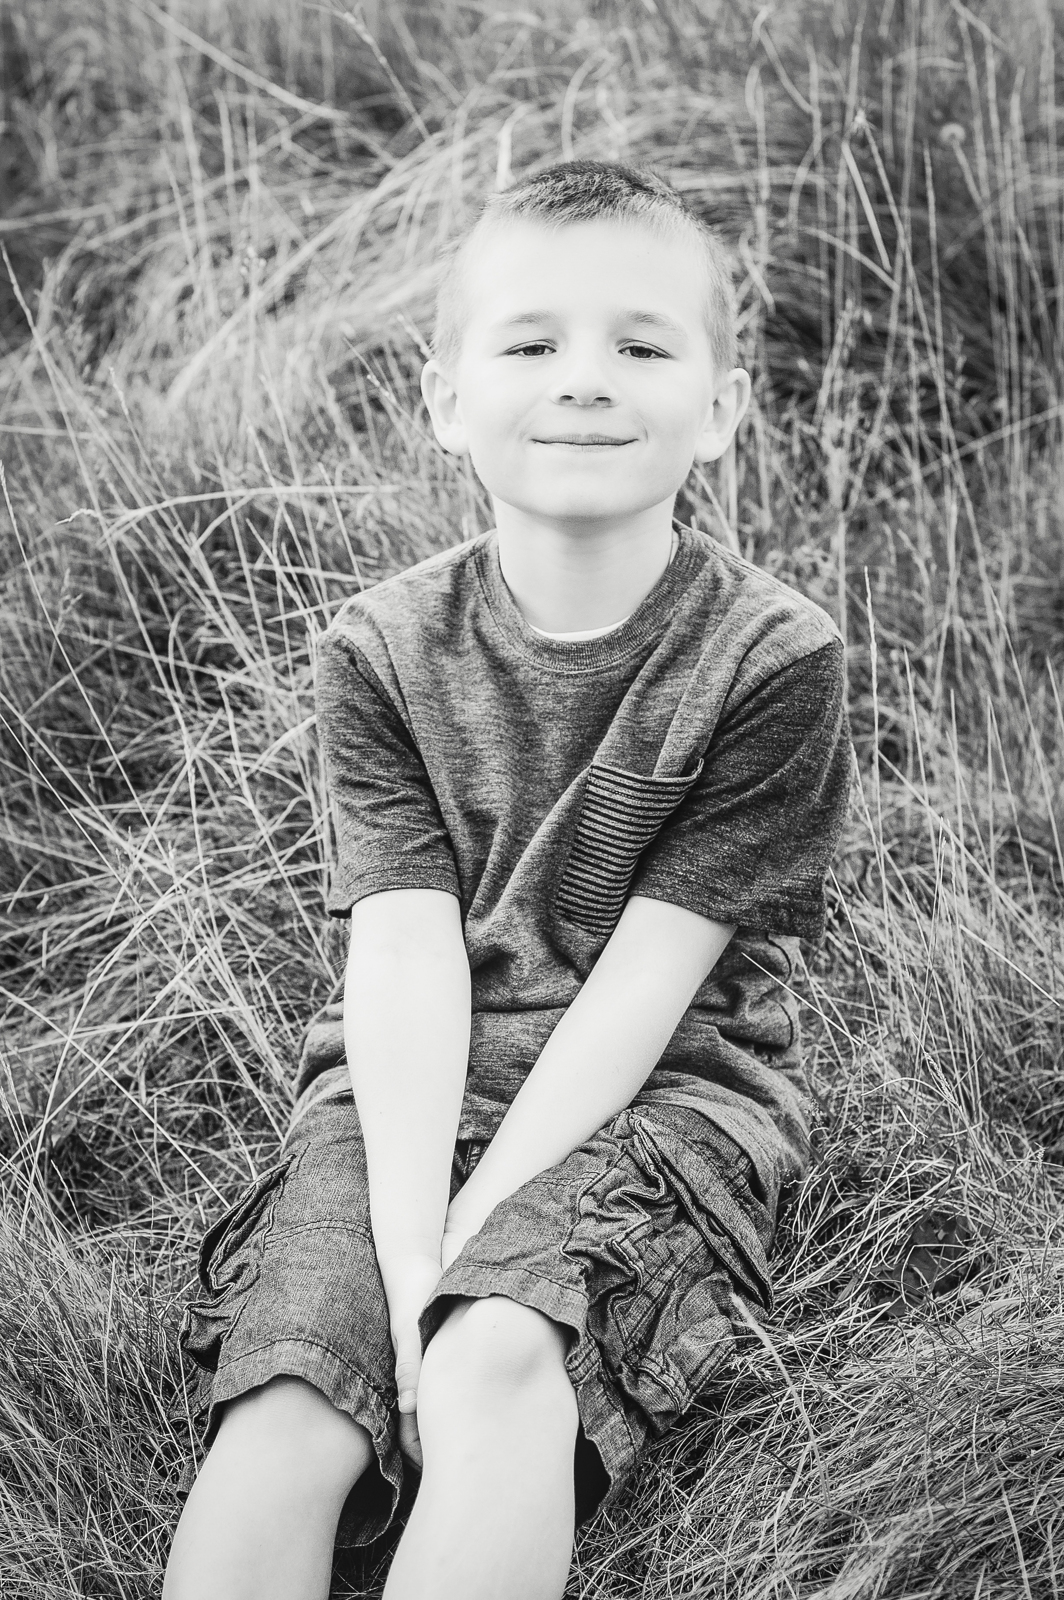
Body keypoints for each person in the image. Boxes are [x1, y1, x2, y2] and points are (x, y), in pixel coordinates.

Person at [164, 159, 852, 1600]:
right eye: (532, 343)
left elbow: (649, 986)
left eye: (642, 347)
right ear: (447, 400)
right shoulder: (380, 648)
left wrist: (475, 1259)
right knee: (293, 1400)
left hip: (663, 1091)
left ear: (721, 409)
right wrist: (410, 1250)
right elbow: (404, 958)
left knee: (492, 1355)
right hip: (405, 1086)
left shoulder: (771, 659)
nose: (584, 380)